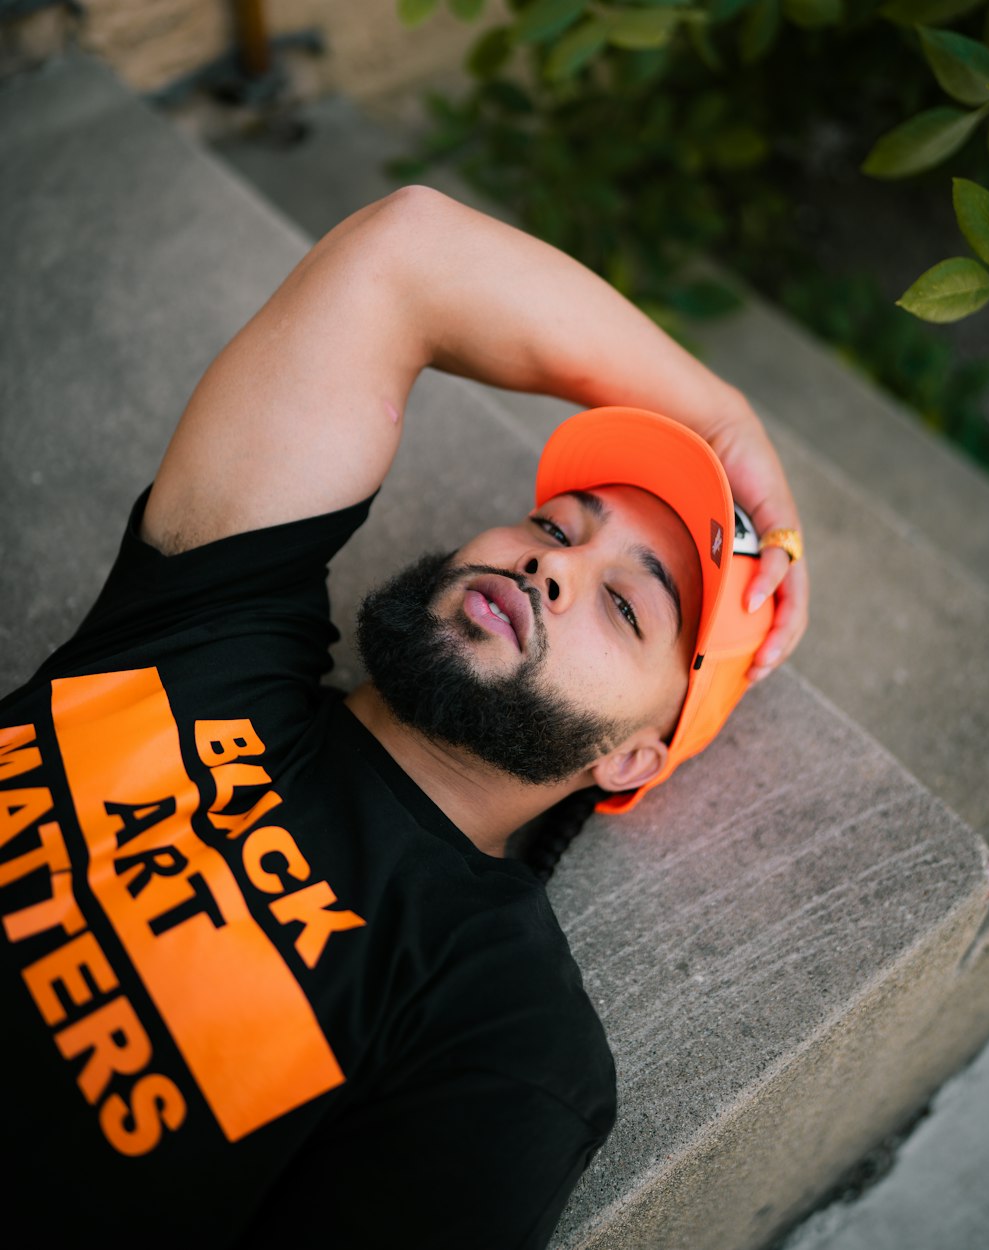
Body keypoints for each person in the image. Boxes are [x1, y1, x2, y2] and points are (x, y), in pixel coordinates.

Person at [0, 186, 807, 1248]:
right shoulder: (210, 627)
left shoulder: (501, 1026)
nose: (553, 564)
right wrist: (720, 422)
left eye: (623, 604)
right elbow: (409, 253)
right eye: (554, 522)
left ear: (630, 759)